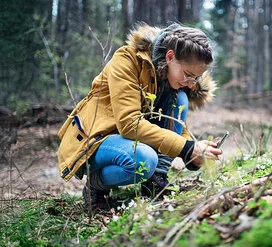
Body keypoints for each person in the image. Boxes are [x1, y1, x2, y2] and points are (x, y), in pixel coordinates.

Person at [57, 23, 222, 212]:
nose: (192, 84)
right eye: (188, 75)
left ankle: (154, 181)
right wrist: (186, 148)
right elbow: (129, 124)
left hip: (128, 139)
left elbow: (174, 124)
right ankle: (96, 186)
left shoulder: (169, 77)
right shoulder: (127, 60)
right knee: (143, 160)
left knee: (182, 98)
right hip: (97, 139)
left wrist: (194, 152)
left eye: (196, 78)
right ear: (170, 56)